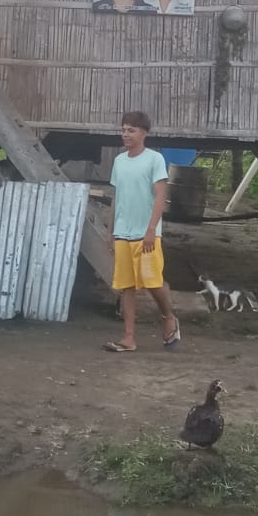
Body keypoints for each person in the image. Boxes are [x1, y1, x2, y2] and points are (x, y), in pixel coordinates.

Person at [102, 111, 180, 353]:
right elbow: (117, 198)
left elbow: (160, 197)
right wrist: (110, 231)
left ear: (143, 133)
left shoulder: (154, 159)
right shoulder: (119, 161)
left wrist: (151, 229)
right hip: (122, 232)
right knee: (126, 286)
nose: (125, 134)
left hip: (146, 232)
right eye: (123, 130)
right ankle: (128, 338)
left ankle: (168, 317)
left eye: (131, 130)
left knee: (152, 281)